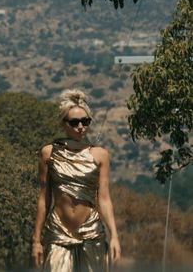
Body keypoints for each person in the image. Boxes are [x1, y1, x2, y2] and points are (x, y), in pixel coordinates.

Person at [32, 89, 121, 271]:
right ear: (63, 124)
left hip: (92, 231)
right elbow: (44, 198)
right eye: (74, 122)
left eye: (85, 121)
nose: (81, 126)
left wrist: (114, 236)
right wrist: (36, 241)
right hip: (58, 231)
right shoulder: (48, 153)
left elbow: (104, 198)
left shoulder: (100, 155)